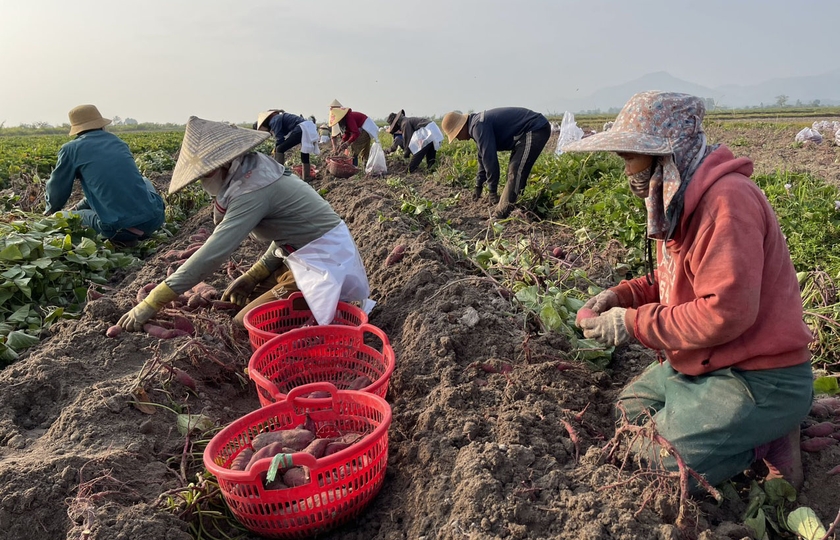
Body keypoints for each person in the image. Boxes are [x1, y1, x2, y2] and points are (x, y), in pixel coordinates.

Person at [564, 91, 814, 491]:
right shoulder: (677, 199)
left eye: (630, 157)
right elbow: (674, 281)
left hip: (760, 378)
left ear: (667, 154)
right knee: (625, 414)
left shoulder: (727, 203)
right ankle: (722, 427)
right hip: (705, 364)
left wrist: (632, 323)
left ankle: (768, 438)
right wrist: (621, 297)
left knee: (652, 467)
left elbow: (724, 311)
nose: (626, 171)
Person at [117, 116, 373, 331]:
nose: (204, 181)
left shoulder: (252, 189)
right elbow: (287, 233)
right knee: (243, 297)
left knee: (242, 324)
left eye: (206, 172)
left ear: (225, 163)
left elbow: (214, 252)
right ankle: (298, 297)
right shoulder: (251, 170)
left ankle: (337, 308)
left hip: (325, 263)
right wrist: (254, 274)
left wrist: (153, 300)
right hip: (302, 254)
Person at [44, 104, 165, 247]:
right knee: (142, 181)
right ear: (101, 125)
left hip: (120, 229)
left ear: (77, 130)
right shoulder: (118, 142)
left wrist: (51, 211)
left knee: (62, 217)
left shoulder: (71, 149)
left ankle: (125, 237)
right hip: (155, 219)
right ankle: (137, 228)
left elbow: (57, 191)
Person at [441, 107, 550, 219]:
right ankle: (515, 204)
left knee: (516, 170)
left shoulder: (478, 126)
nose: (458, 139)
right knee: (514, 173)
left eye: (457, 135)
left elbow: (490, 159)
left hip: (535, 128)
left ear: (461, 128)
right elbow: (482, 158)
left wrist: (492, 191)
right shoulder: (476, 124)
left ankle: (501, 213)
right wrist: (478, 185)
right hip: (525, 133)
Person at [255, 110, 320, 180]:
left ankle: (278, 175)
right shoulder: (277, 118)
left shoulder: (273, 120)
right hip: (308, 127)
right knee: (304, 152)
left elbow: (280, 138)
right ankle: (306, 177)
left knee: (280, 149)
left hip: (302, 128)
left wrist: (276, 150)